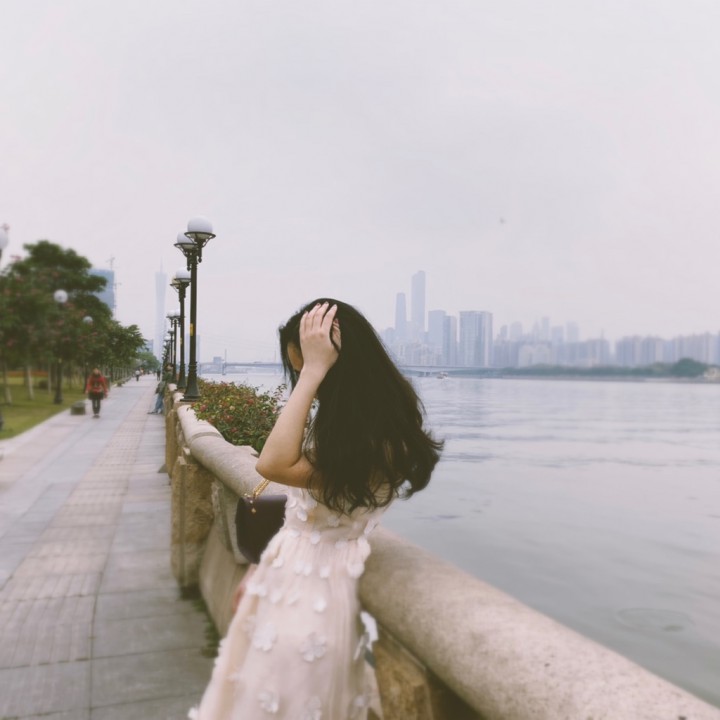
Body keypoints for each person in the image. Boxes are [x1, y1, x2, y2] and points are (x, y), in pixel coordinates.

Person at [189, 300, 443, 720]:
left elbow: (271, 465)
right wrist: (259, 569)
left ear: (341, 364)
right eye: (299, 368)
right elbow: (300, 514)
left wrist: (311, 372)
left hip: (317, 594)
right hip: (285, 573)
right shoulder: (342, 425)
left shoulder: (380, 441)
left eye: (310, 366)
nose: (308, 380)